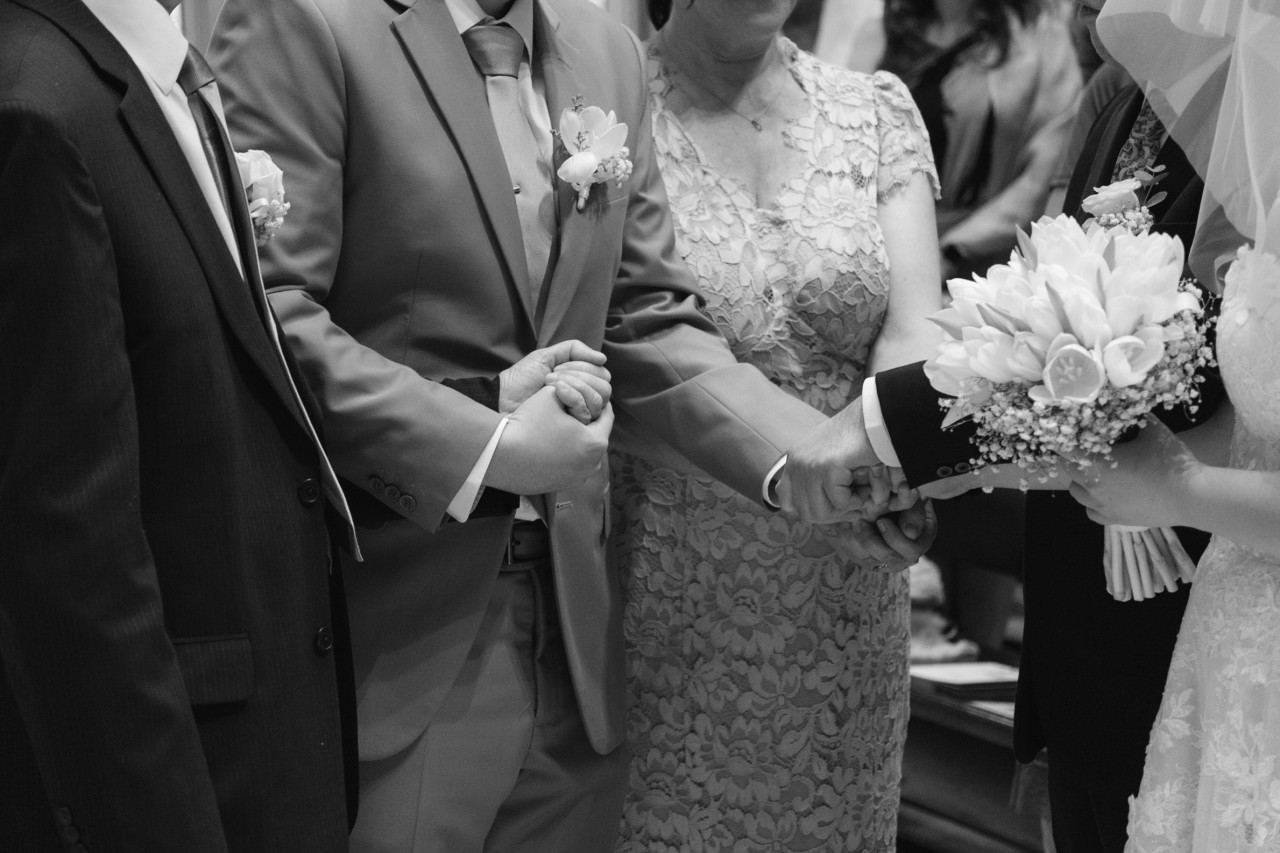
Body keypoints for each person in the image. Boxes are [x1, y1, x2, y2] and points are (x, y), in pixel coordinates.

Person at [207, 0, 920, 848]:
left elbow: (645, 315)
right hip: (397, 629)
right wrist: (489, 444)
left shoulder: (605, 52)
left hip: (582, 633)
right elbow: (269, 311)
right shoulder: (308, 21)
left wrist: (803, 452)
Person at [779, 1, 1229, 849]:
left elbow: (1198, 364)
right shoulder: (1124, 96)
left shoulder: (1253, 122)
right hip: (1078, 626)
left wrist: (888, 430)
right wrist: (938, 458)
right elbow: (1053, 315)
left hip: (1188, 636)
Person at [0, 0, 361, 847]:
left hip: (271, 742)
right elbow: (72, 546)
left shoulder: (154, 73)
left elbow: (207, 403)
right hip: (192, 779)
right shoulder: (36, 111)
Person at [610, 0, 942, 848]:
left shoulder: (874, 110)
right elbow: (616, 344)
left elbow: (915, 326)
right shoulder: (607, 110)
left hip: (848, 587)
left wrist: (890, 468)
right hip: (672, 577)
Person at [1064, 2, 1280, 848]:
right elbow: (1261, 425)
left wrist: (1179, 488)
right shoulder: (1266, 185)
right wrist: (1115, 459)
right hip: (1233, 634)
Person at [877, 0, 1081, 283]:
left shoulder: (1040, 37)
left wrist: (953, 250)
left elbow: (1044, 173)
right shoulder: (886, 27)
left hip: (976, 263)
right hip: (878, 243)